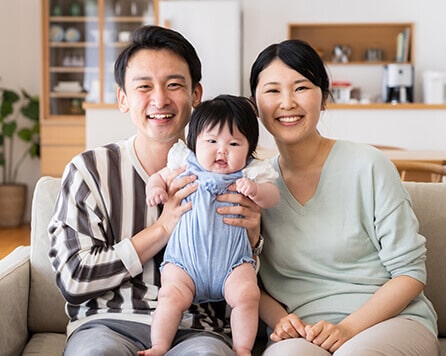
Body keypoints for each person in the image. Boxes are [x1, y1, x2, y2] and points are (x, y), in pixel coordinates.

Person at [48, 25, 263, 356]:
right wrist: (162, 228)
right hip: (107, 323)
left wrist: (253, 239)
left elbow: (244, 292)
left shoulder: (236, 175)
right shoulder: (89, 170)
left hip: (197, 330)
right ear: (123, 98)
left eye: (174, 85)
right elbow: (75, 279)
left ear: (196, 94)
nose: (160, 99)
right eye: (144, 87)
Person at [249, 39, 440, 355]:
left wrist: (348, 329)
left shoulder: (368, 165)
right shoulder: (255, 185)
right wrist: (280, 320)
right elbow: (243, 278)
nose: (287, 102)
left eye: (301, 88)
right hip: (304, 333)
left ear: (323, 98)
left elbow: (410, 274)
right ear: (255, 104)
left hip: (390, 321)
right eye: (272, 91)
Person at [141, 95, 280, 356]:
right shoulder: (185, 163)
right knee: (170, 296)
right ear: (194, 143)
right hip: (184, 264)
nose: (222, 150)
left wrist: (257, 191)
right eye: (212, 141)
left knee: (248, 296)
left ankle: (242, 348)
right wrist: (156, 189)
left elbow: (273, 197)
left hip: (232, 265)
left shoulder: (250, 172)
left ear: (249, 148)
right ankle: (159, 345)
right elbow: (157, 177)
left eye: (234, 143)